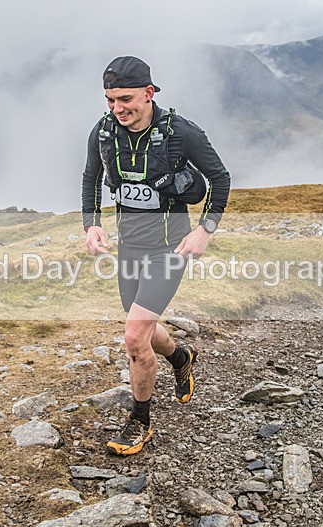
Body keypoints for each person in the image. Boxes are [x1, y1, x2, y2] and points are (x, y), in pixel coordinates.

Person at [81, 56, 230, 455]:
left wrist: (205, 230)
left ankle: (140, 421)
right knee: (145, 330)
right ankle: (181, 356)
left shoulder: (180, 132)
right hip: (129, 249)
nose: (117, 108)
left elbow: (220, 179)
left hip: (170, 249)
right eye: (110, 100)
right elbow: (90, 178)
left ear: (149, 93)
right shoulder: (104, 132)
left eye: (125, 98)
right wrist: (91, 224)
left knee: (133, 336)